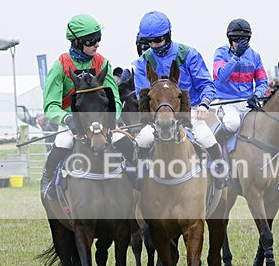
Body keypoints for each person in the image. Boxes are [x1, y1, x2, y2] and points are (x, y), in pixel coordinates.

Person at [132, 10, 226, 188]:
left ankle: (220, 172)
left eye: (158, 40)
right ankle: (139, 178)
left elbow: (206, 84)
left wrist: (205, 104)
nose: (154, 45)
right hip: (159, 117)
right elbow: (142, 93)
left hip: (190, 112)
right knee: (143, 140)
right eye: (149, 41)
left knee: (206, 138)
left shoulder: (188, 54)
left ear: (168, 35)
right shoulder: (143, 62)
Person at [39, 14, 123, 200]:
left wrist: (111, 119)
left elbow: (114, 98)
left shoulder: (102, 63)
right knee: (63, 142)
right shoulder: (60, 66)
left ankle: (134, 177)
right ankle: (47, 180)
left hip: (101, 122)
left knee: (121, 140)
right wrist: (67, 119)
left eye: (99, 39)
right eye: (91, 40)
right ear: (76, 42)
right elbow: (51, 105)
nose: (97, 44)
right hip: (72, 122)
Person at [211, 18, 268, 146]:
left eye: (243, 40)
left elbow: (262, 81)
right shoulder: (220, 53)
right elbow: (222, 76)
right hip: (226, 102)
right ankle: (215, 148)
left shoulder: (255, 56)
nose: (239, 43)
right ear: (230, 39)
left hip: (247, 102)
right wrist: (236, 57)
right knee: (233, 123)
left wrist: (256, 95)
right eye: (236, 39)